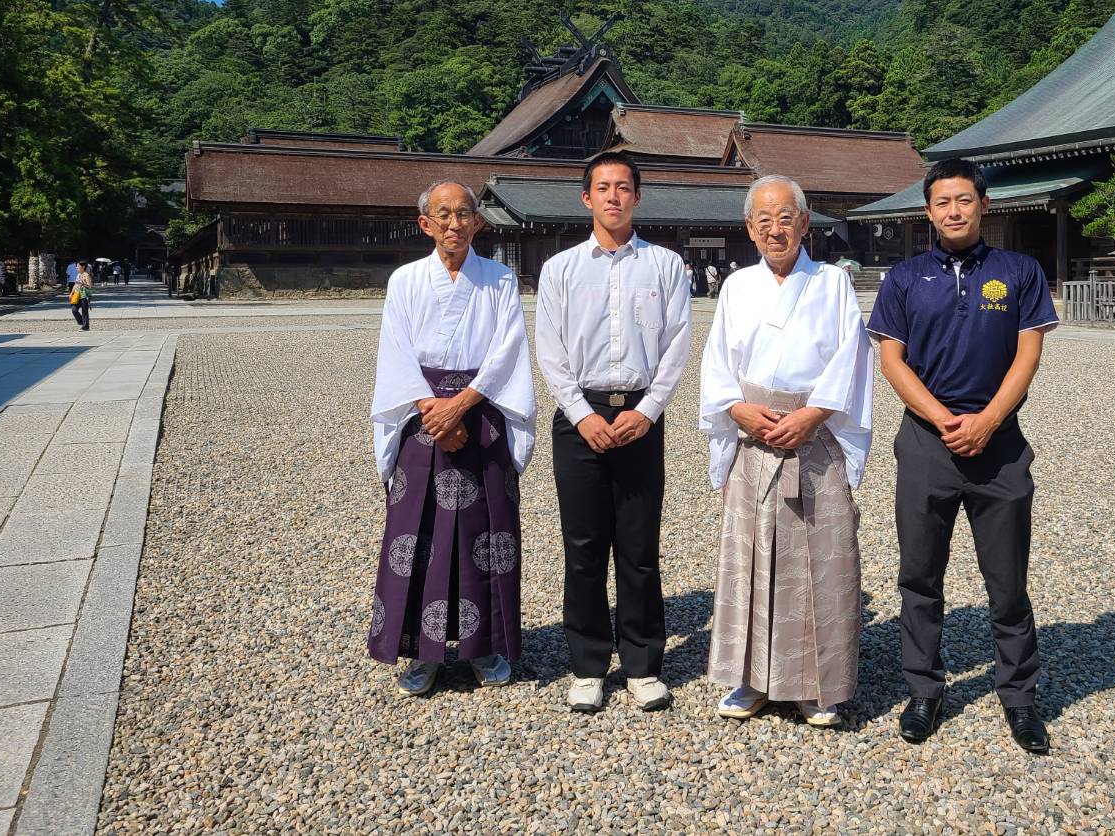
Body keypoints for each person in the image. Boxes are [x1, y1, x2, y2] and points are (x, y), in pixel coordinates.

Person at [868, 158, 1058, 753]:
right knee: (919, 576)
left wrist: (988, 420)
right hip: (927, 442)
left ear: (984, 205)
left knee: (1007, 581)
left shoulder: (1019, 272)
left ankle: (1020, 697)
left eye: (965, 200)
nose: (954, 211)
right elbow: (892, 361)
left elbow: (1027, 357)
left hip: (999, 445)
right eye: (942, 202)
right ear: (928, 210)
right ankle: (924, 688)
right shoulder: (904, 278)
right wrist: (943, 419)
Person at [701, 176, 872, 728]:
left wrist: (814, 414)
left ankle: (817, 683)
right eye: (764, 220)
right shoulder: (737, 287)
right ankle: (750, 678)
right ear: (750, 230)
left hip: (813, 434)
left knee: (818, 557)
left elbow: (851, 357)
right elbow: (717, 365)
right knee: (752, 554)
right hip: (753, 433)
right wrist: (735, 409)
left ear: (804, 223)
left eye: (786, 218)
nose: (776, 229)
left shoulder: (832, 284)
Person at [535, 151, 691, 714]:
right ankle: (587, 663)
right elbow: (549, 349)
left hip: (640, 417)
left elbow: (677, 344)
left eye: (623, 187)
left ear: (637, 197)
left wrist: (649, 409)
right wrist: (580, 413)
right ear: (586, 197)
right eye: (602, 187)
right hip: (581, 417)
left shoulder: (666, 266)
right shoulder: (561, 269)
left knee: (639, 547)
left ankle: (644, 663)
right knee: (582, 546)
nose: (613, 196)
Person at [367, 181, 537, 696]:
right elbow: (395, 349)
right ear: (425, 224)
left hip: (482, 413)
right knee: (418, 534)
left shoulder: (500, 280)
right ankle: (421, 651)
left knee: (485, 534)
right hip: (422, 420)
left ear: (478, 224)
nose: (454, 224)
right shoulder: (405, 280)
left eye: (464, 214)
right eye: (443, 215)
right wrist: (430, 408)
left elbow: (507, 348)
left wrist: (462, 404)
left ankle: (485, 645)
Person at [70, 263, 92, 331]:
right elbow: (75, 284)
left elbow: (89, 286)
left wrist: (83, 283)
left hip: (84, 295)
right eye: (76, 267)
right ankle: (81, 322)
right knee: (74, 309)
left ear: (83, 267)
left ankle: (85, 327)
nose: (77, 268)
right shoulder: (78, 275)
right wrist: (71, 293)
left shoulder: (86, 275)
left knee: (84, 311)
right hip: (77, 294)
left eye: (78, 267)